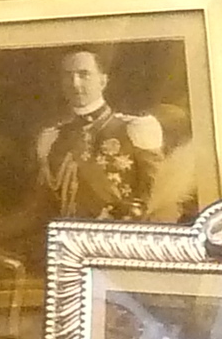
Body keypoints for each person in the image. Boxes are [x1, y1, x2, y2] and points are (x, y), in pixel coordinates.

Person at [31, 49, 169, 233]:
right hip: (70, 249)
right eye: (67, 76)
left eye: (84, 74)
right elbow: (42, 209)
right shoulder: (51, 138)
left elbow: (160, 200)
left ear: (103, 81)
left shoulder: (136, 128)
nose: (75, 83)